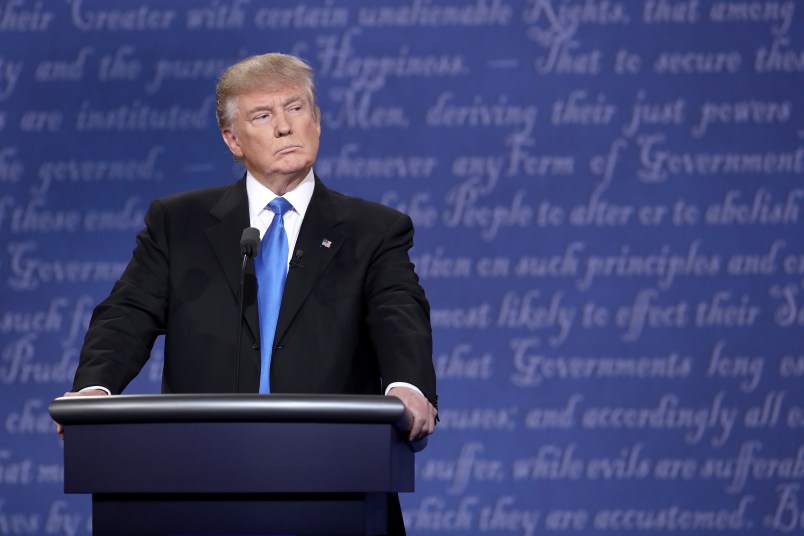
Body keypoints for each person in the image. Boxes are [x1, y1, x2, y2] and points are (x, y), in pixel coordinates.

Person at [57, 53, 437, 534]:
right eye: (263, 115)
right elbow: (128, 312)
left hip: (332, 479)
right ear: (232, 140)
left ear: (317, 121)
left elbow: (399, 312)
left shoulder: (374, 230)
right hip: (196, 478)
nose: (284, 127)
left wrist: (409, 385)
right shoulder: (179, 224)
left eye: (296, 109)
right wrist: (95, 386)